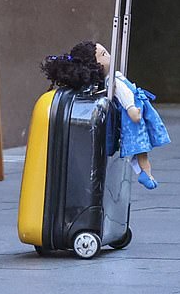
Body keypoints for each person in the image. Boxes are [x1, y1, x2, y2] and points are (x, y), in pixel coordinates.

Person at [41, 41, 170, 189]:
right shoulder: (114, 81)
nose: (109, 56)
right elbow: (125, 95)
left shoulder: (109, 80)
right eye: (103, 55)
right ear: (96, 65)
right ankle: (145, 173)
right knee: (141, 145)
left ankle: (145, 172)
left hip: (137, 108)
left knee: (140, 146)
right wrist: (131, 109)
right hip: (134, 112)